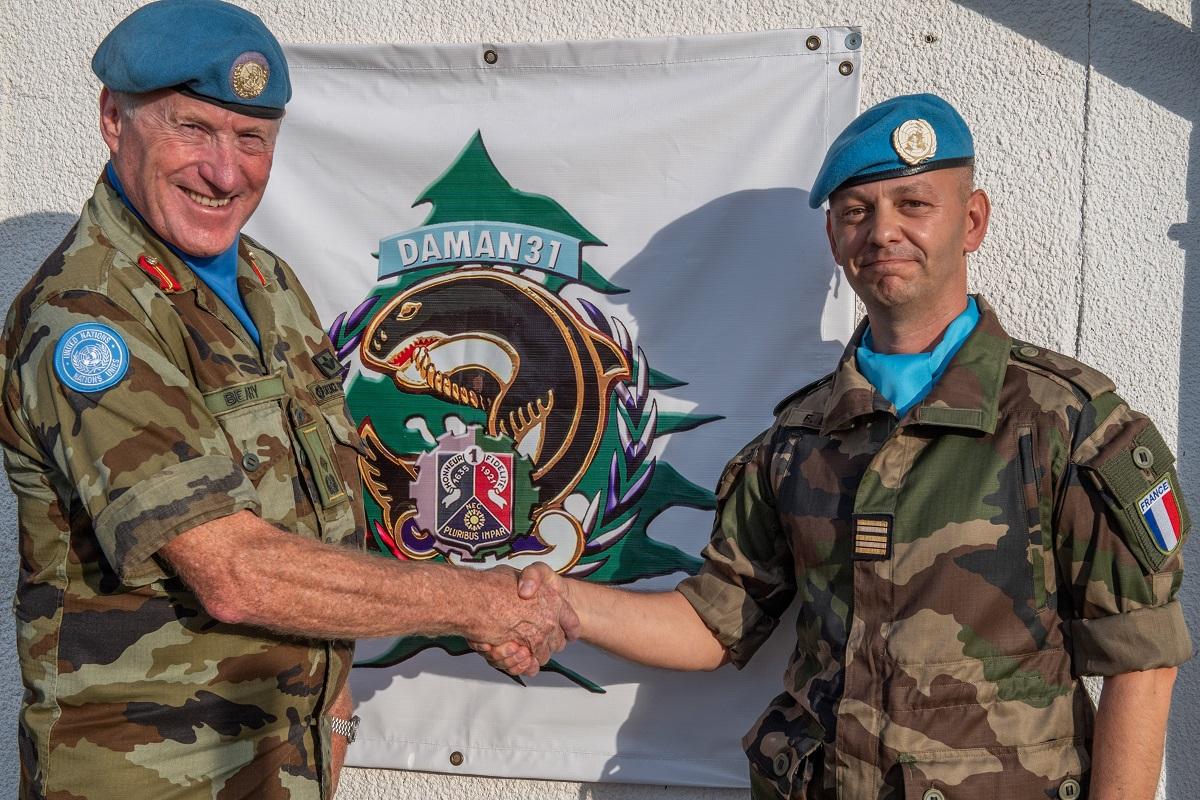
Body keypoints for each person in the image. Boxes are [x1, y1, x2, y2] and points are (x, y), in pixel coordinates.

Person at [481, 94, 1192, 800]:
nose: (883, 232)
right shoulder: (799, 439)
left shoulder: (1064, 423)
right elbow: (712, 622)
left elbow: (1140, 662)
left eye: (914, 204)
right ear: (833, 238)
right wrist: (565, 603)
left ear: (972, 221)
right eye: (857, 212)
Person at [0, 2, 575, 797]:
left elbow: (320, 514)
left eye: (251, 138)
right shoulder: (89, 320)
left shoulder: (267, 284)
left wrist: (333, 714)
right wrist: (479, 604)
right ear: (113, 119)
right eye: (194, 129)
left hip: (282, 762)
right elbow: (235, 570)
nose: (224, 172)